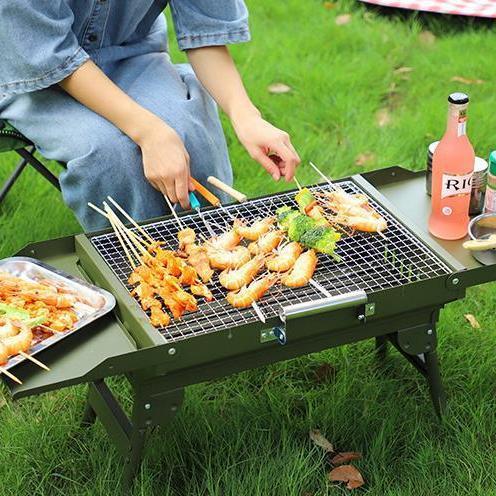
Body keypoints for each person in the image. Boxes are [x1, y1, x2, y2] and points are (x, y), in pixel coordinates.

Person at [0, 1, 300, 231]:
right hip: (28, 73)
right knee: (110, 154)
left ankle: (213, 265)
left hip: (130, 53)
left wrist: (245, 114)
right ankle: (139, 287)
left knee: (190, 141)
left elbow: (204, 28)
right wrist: (150, 132)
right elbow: (46, 53)